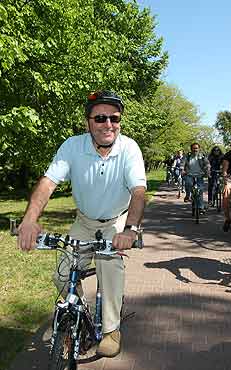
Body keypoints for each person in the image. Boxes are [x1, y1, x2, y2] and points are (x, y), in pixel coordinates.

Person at [17, 90, 146, 358]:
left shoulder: (129, 148)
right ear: (88, 122)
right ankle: (75, 316)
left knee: (109, 269)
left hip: (116, 220)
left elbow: (138, 192)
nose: (108, 124)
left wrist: (130, 230)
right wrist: (30, 220)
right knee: (63, 274)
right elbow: (48, 183)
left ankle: (111, 329)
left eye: (114, 118)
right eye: (100, 118)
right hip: (84, 220)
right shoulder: (73, 146)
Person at [180, 142, 210, 212]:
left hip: (200, 175)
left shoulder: (202, 156)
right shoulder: (187, 156)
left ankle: (201, 207)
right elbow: (182, 163)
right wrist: (182, 170)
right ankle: (187, 195)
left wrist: (208, 170)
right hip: (189, 174)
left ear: (199, 149)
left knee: (200, 190)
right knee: (188, 184)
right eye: (193, 148)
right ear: (191, 149)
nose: (195, 150)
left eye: (196, 148)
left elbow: (207, 163)